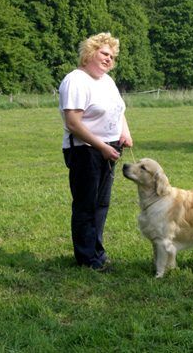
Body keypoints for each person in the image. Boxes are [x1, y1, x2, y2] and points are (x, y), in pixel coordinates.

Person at [59, 32, 132, 273]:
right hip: (85, 151)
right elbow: (73, 123)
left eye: (111, 56)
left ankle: (97, 252)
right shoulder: (76, 81)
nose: (108, 59)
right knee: (86, 205)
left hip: (109, 149)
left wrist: (125, 132)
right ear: (90, 53)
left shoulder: (107, 81)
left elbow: (118, 110)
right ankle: (87, 260)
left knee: (101, 204)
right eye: (104, 53)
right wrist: (101, 147)